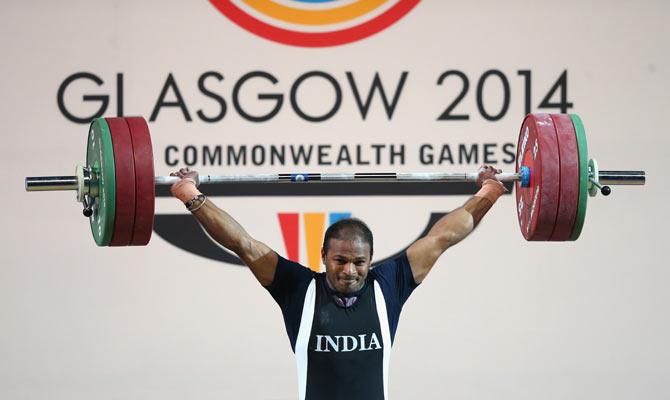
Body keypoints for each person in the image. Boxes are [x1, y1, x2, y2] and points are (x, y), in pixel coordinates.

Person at [169, 165, 507, 400]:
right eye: (340, 260)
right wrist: (190, 194)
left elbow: (444, 236)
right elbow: (243, 243)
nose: (349, 271)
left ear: (370, 259)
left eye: (359, 262)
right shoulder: (297, 289)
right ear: (324, 256)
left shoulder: (389, 284)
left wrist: (489, 191)